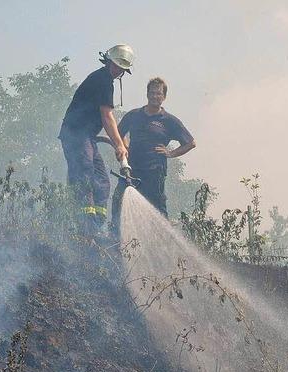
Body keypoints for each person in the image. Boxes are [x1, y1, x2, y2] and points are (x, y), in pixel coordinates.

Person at [58, 44, 133, 238]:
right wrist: (118, 144)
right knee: (84, 171)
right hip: (75, 133)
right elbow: (107, 115)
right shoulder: (102, 80)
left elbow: (108, 118)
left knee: (102, 181)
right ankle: (85, 226)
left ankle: (97, 224)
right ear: (108, 61)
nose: (118, 71)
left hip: (87, 137)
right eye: (116, 66)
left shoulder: (106, 80)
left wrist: (119, 141)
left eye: (121, 69)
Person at [111, 77, 196, 237]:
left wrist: (170, 153)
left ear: (164, 97)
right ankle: (115, 236)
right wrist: (124, 146)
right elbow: (118, 133)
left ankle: (164, 239)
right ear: (147, 94)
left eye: (159, 93)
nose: (155, 96)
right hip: (131, 168)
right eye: (152, 93)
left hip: (154, 171)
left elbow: (190, 143)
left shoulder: (169, 121)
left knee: (156, 206)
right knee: (119, 200)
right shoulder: (134, 115)